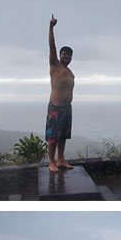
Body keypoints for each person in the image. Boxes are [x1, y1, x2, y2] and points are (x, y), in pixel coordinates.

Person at [46, 14, 75, 172]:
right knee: (52, 138)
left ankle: (61, 160)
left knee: (63, 136)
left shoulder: (69, 71)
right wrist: (51, 27)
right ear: (60, 55)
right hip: (55, 108)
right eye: (64, 53)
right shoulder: (55, 65)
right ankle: (51, 162)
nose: (66, 56)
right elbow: (51, 46)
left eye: (69, 55)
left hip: (67, 108)